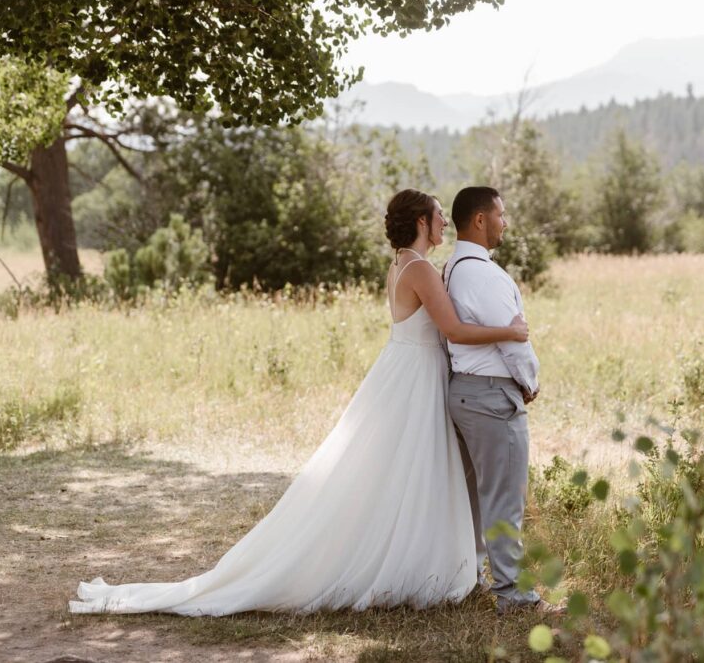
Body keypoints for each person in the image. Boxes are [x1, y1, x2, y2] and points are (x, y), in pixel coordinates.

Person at [68, 189, 528, 616]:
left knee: (398, 473)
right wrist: (511, 331)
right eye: (439, 218)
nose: (445, 223)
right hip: (415, 376)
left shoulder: (402, 264)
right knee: (405, 471)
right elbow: (452, 329)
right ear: (422, 222)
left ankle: (421, 556)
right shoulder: (423, 269)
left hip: (405, 370)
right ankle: (405, 563)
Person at [444, 186, 560, 614]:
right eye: (501, 214)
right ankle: (513, 593)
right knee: (504, 498)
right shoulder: (484, 274)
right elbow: (513, 339)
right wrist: (530, 381)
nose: (505, 222)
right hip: (492, 397)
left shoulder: (453, 267)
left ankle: (472, 575)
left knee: (475, 494)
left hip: (465, 392)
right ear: (479, 219)